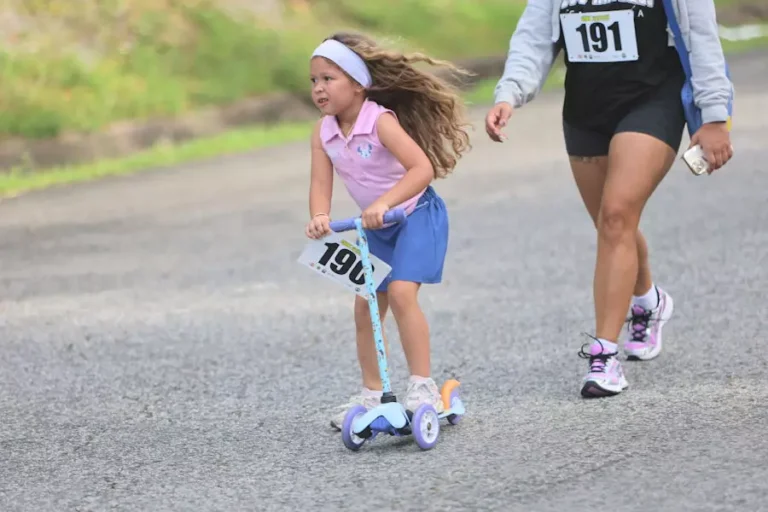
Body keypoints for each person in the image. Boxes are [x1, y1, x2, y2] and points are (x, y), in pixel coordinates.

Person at [485, 0, 734, 397]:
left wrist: (715, 115)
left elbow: (700, 37)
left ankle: (604, 357)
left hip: (654, 99)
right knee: (611, 224)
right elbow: (534, 38)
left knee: (617, 215)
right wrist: (509, 93)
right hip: (586, 111)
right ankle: (648, 301)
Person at [304, 32, 471, 428]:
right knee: (365, 306)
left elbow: (422, 169)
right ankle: (373, 391)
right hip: (374, 227)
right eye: (313, 81)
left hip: (416, 215)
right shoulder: (323, 132)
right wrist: (319, 216)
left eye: (329, 78)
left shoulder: (378, 120)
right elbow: (319, 183)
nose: (319, 89)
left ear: (359, 84)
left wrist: (384, 203)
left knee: (399, 293)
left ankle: (422, 386)